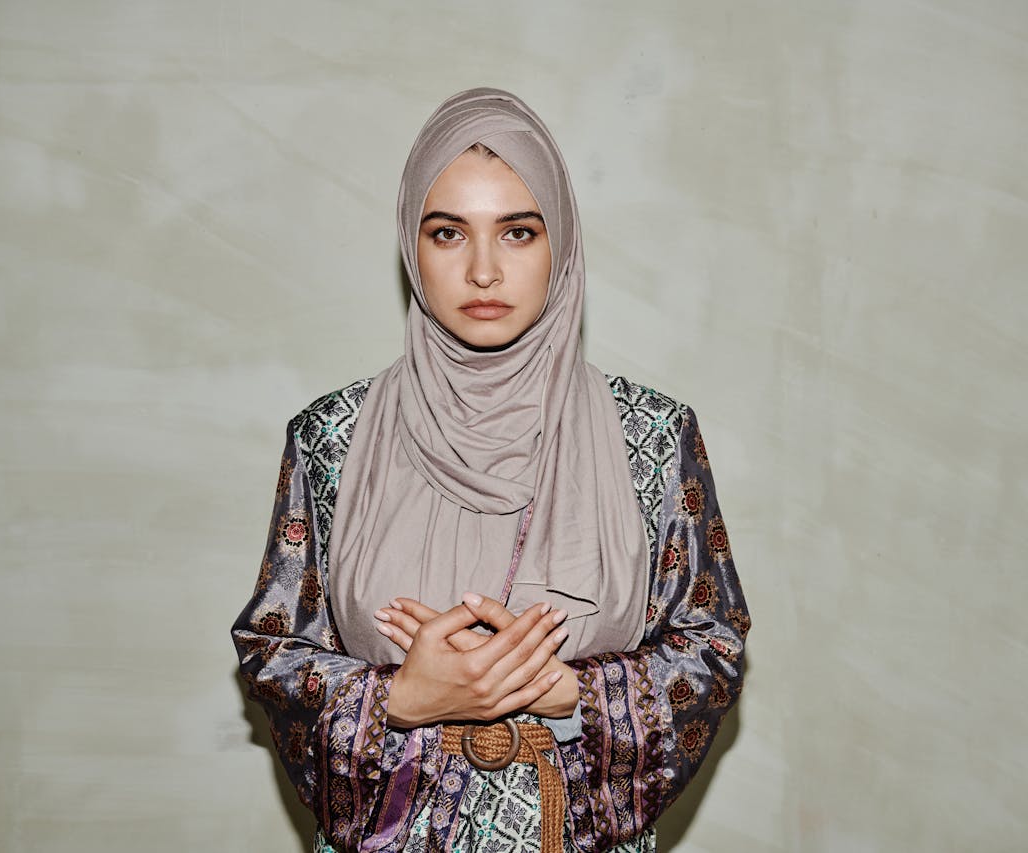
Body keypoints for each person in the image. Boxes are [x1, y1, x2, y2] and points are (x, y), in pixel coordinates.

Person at [231, 88, 749, 853]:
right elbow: (274, 647)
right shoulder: (331, 436)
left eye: (516, 232)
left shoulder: (654, 436)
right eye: (448, 233)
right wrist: (400, 698)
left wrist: (567, 689)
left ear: (561, 244)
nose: (482, 270)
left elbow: (713, 644)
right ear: (413, 247)